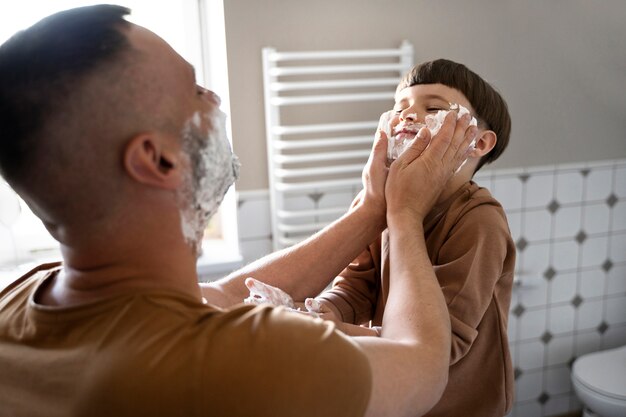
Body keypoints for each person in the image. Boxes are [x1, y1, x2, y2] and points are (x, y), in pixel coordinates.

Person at [0, 5, 478, 417]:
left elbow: (219, 296)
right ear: (157, 159)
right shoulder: (236, 361)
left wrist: (372, 209)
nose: (215, 97)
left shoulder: (22, 298)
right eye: (193, 90)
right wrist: (405, 215)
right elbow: (421, 365)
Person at [304, 60, 517, 417]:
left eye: (432, 108)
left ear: (479, 141)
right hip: (402, 391)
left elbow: (443, 341)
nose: (408, 116)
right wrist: (323, 311)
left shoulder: (479, 221)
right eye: (400, 108)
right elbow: (356, 286)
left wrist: (336, 333)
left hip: (463, 404)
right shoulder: (379, 202)